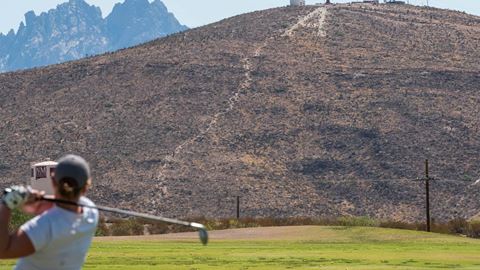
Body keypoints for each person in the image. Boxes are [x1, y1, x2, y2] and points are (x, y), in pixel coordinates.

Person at [0, 154, 99, 270]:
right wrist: (40, 200)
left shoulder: (44, 226)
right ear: (86, 187)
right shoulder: (91, 212)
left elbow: (3, 251)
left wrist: (7, 204)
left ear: (53, 182)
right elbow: (64, 205)